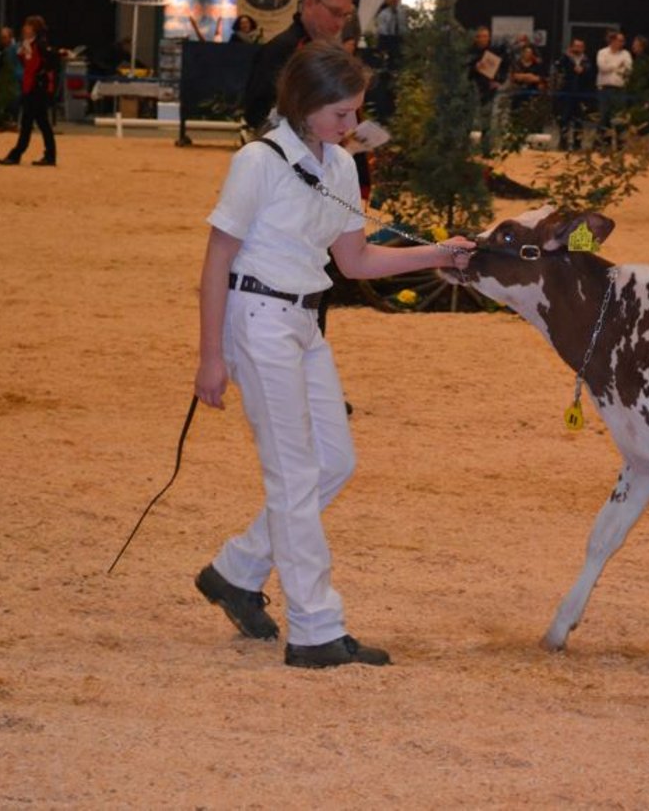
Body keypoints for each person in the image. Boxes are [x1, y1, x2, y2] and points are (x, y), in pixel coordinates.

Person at [193, 41, 475, 669]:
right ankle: (316, 629)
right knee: (293, 477)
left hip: (305, 321)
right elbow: (215, 263)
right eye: (341, 114)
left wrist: (439, 253)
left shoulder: (342, 168)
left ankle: (236, 570)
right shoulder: (257, 162)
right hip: (257, 320)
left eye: (356, 113)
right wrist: (211, 355)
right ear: (305, 102)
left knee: (334, 463)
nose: (353, 127)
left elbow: (355, 261)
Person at [242, 0, 355, 131]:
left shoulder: (333, 54)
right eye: (335, 12)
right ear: (309, 3)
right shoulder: (281, 50)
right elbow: (255, 112)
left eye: (346, 15)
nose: (340, 23)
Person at [0, 15, 58, 166]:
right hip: (30, 88)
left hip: (37, 89)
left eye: (28, 26)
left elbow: (51, 61)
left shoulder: (40, 45)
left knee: (31, 123)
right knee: (38, 123)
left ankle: (17, 154)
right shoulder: (27, 44)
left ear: (34, 29)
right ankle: (48, 155)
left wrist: (42, 76)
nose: (25, 28)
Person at [554, 37, 594, 151]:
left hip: (581, 94)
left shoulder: (586, 60)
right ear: (571, 46)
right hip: (566, 93)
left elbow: (590, 73)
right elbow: (558, 69)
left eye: (580, 46)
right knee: (564, 118)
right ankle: (563, 141)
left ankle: (577, 143)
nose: (578, 48)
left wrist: (583, 70)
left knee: (579, 120)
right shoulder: (565, 58)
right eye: (576, 46)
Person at [595, 31, 633, 132]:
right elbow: (602, 68)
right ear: (612, 41)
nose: (622, 43)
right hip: (605, 89)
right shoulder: (602, 52)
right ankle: (600, 144)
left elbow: (628, 69)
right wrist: (617, 65)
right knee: (604, 116)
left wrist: (612, 66)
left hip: (620, 89)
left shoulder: (626, 54)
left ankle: (620, 145)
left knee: (619, 118)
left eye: (623, 41)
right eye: (620, 40)